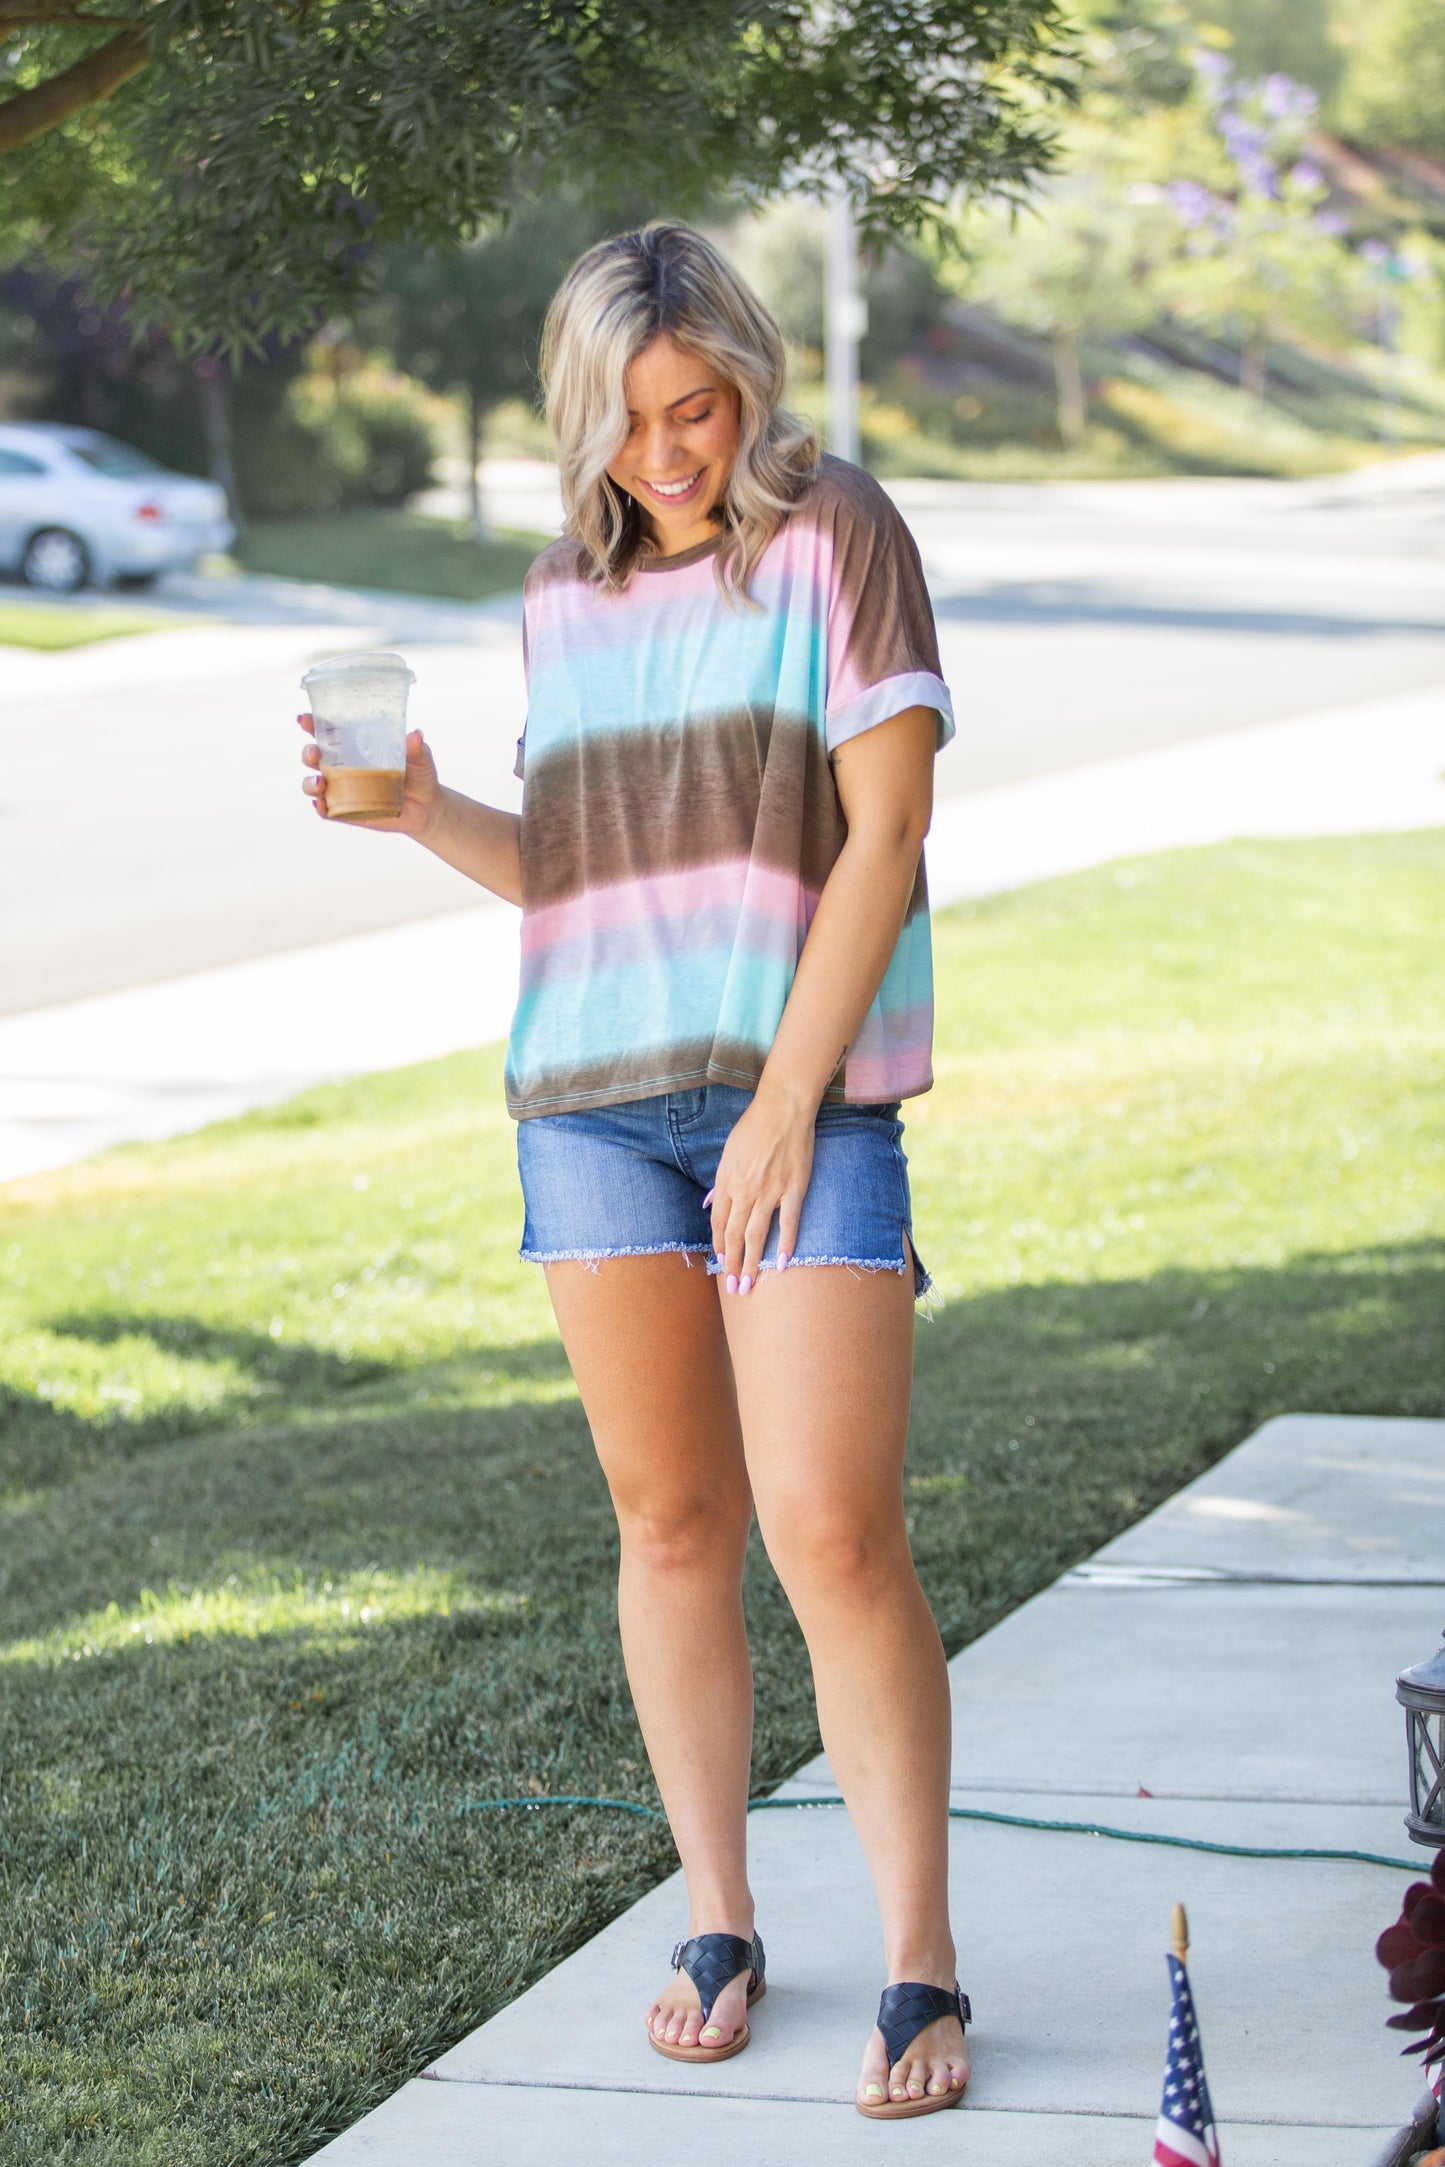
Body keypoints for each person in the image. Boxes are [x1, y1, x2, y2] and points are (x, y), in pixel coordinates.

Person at [299, 220, 969, 2121]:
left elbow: (886, 832)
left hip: (801, 1111)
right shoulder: (558, 597)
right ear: (575, 419)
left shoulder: (834, 534)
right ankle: (720, 1916)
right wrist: (425, 806)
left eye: (697, 406)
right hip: (591, 1108)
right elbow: (589, 884)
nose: (666, 452)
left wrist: (782, 1104)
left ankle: (917, 1954)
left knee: (829, 1535)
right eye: (626, 419)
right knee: (667, 1524)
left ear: (749, 380)